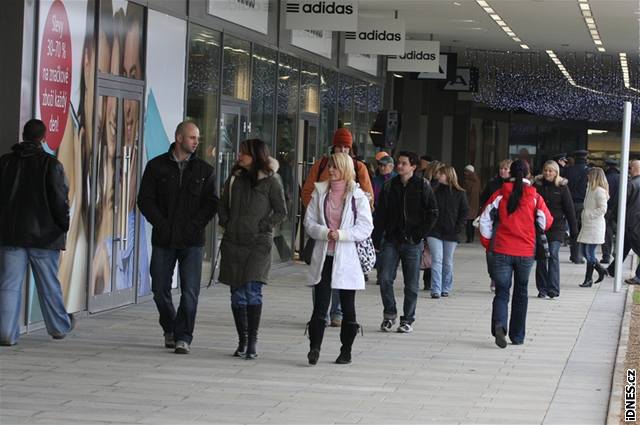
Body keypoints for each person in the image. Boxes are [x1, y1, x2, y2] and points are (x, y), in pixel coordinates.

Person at [137, 121, 218, 354]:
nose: (196, 142)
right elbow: (145, 200)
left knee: (190, 291)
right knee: (160, 289)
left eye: (198, 138)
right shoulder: (156, 167)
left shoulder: (205, 171)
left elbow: (211, 204)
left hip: (192, 240)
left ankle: (184, 336)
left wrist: (195, 226)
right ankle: (170, 326)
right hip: (164, 238)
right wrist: (161, 225)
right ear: (179, 138)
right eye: (192, 137)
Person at [0, 119, 75, 346]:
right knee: (49, 284)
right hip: (44, 236)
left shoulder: (4, 163)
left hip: (11, 235)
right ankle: (59, 326)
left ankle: (5, 333)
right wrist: (63, 226)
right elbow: (60, 201)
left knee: (9, 285)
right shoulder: (51, 165)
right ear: (43, 138)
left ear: (23, 135)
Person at [217, 139, 287, 359]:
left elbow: (281, 211)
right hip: (233, 241)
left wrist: (263, 226)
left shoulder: (271, 180)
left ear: (256, 155)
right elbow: (223, 204)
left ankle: (253, 341)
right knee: (236, 293)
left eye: (244, 153)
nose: (239, 155)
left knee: (252, 290)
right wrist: (226, 221)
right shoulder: (234, 179)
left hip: (258, 243)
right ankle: (242, 340)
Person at [304, 153, 373, 365]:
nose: (331, 170)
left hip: (347, 258)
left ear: (344, 169)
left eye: (335, 167)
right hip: (325, 256)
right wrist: (325, 233)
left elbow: (365, 227)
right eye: (330, 167)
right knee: (320, 305)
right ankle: (314, 349)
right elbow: (309, 222)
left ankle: (346, 350)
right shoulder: (320, 193)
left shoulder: (357, 196)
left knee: (347, 305)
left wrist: (341, 234)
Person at [479, 160, 552, 348]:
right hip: (525, 252)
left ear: (510, 172)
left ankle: (499, 325)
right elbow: (546, 221)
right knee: (521, 293)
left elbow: (485, 219)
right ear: (529, 174)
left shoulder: (500, 194)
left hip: (502, 249)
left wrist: (488, 243)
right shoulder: (535, 196)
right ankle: (517, 336)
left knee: (502, 292)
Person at [374, 151, 439, 333]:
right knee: (385, 278)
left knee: (411, 283)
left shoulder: (422, 185)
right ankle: (389, 314)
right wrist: (379, 237)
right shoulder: (389, 185)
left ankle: (407, 319)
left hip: (412, 241)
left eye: (403, 163)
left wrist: (419, 234)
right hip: (391, 240)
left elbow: (433, 212)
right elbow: (381, 213)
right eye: (398, 163)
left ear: (413, 166)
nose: (399, 166)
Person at [533, 160, 578, 298]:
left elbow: (570, 210)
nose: (547, 173)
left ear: (556, 172)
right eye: (546, 170)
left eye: (550, 171)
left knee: (553, 254)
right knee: (541, 257)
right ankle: (542, 288)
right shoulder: (536, 186)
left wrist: (574, 231)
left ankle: (553, 288)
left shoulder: (562, 187)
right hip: (540, 227)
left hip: (557, 227)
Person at [428, 165, 469, 298]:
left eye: (440, 173)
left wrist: (458, 228)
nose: (438, 175)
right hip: (434, 231)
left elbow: (464, 212)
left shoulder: (460, 193)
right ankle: (435, 289)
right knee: (437, 260)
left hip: (451, 232)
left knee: (447, 261)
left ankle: (446, 287)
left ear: (448, 175)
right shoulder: (434, 190)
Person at [480, 159, 511, 293]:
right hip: (493, 223)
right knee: (490, 253)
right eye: (501, 168)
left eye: (505, 169)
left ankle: (503, 279)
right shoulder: (493, 184)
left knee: (507, 253)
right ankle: (493, 276)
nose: (502, 171)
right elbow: (483, 200)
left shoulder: (515, 185)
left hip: (509, 224)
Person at [607, 160, 640, 285]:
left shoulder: (631, 184)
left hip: (631, 223)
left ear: (633, 169)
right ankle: (612, 270)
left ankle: (639, 277)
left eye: (630, 168)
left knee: (626, 246)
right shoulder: (632, 184)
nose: (629, 171)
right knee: (624, 247)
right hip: (634, 223)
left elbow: (620, 203)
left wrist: (613, 217)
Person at [577, 167, 609, 287]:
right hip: (588, 225)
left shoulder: (599, 191)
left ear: (594, 176)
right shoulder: (590, 189)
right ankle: (601, 270)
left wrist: (589, 215)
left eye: (589, 175)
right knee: (585, 252)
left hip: (595, 226)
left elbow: (603, 209)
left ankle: (589, 279)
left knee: (589, 253)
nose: (587, 176)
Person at [564, 149, 590, 264]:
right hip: (583, 204)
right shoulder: (589, 171)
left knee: (573, 229)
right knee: (581, 230)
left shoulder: (568, 170)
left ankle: (574, 255)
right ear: (585, 158)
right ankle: (579, 255)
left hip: (569, 203)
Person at [601, 158, 620, 263]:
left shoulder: (605, 179)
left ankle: (606, 256)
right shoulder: (624, 178)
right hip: (619, 211)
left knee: (607, 234)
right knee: (619, 233)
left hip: (607, 210)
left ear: (608, 166)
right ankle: (617, 254)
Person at [462, 164, 480, 243]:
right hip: (475, 204)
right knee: (472, 221)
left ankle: (469, 238)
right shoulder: (478, 181)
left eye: (466, 171)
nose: (465, 173)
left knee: (468, 222)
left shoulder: (466, 182)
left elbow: (464, 193)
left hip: (468, 203)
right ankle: (471, 237)